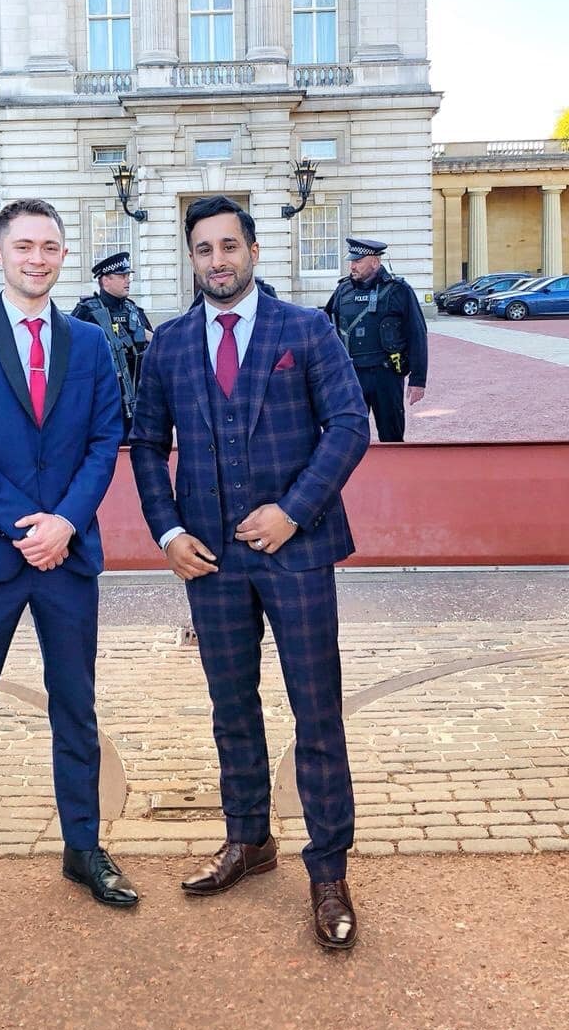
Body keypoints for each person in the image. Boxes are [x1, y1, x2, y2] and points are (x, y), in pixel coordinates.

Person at [129, 196, 369, 951]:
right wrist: (166, 530)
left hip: (295, 551)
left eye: (229, 246)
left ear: (255, 252)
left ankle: (328, 870)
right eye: (203, 249)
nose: (217, 260)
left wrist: (293, 511)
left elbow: (349, 425)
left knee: (316, 712)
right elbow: (144, 445)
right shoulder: (166, 344)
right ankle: (248, 839)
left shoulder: (307, 329)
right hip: (210, 560)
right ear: (192, 259)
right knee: (231, 709)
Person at [0, 198, 138, 946]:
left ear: (63, 255)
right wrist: (28, 527)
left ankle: (82, 848)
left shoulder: (90, 343)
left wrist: (65, 523)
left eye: (50, 247)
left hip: (67, 559)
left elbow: (107, 441)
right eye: (24, 246)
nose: (37, 258)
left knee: (76, 711)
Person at [324, 238, 428, 443]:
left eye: (358, 261)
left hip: (386, 375)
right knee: (347, 437)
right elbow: (324, 326)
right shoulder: (343, 290)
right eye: (351, 261)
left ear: (374, 262)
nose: (352, 266)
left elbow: (417, 334)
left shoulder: (399, 290)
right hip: (351, 376)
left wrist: (418, 380)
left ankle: (394, 474)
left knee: (392, 436)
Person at [71, 251, 152, 441]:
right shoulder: (87, 312)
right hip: (103, 400)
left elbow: (153, 351)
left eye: (128, 276)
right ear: (105, 281)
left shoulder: (134, 311)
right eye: (122, 276)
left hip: (137, 400)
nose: (128, 280)